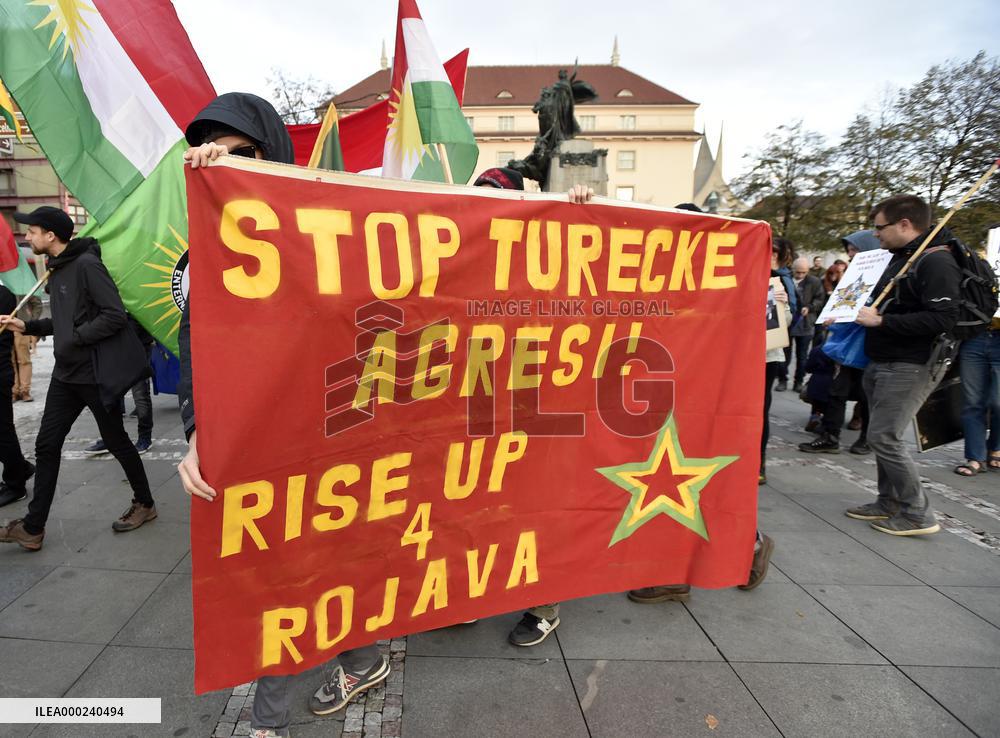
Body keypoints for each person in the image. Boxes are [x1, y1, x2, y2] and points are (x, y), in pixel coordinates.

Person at [177, 93, 388, 738]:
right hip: (259, 441)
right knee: (276, 570)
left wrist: (568, 209)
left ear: (273, 152)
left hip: (339, 433)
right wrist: (196, 431)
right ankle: (339, 675)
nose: (221, 160)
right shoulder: (211, 244)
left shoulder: (337, 225)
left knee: (318, 565)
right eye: (208, 149)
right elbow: (197, 341)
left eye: (240, 151)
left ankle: (293, 703)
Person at [0, 207, 155, 551]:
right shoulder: (57, 269)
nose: (28, 236)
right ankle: (33, 527)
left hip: (94, 375)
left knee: (116, 441)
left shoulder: (87, 265)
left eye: (33, 231)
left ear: (51, 235)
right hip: (66, 376)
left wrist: (77, 338)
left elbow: (114, 315)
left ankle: (145, 503)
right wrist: (27, 325)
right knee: (46, 445)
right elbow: (63, 321)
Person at [848, 195, 961, 536]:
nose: (875, 233)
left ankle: (918, 514)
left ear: (904, 224)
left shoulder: (936, 261)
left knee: (885, 436)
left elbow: (943, 319)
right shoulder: (904, 258)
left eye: (879, 227)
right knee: (881, 434)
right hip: (885, 359)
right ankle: (889, 501)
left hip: (911, 363)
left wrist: (882, 322)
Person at [800, 230, 880, 456]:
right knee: (836, 391)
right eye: (849, 250)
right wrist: (834, 318)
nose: (850, 254)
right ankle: (830, 436)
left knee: (866, 396)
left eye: (855, 249)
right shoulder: (854, 275)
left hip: (868, 346)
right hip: (845, 344)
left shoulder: (884, 276)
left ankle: (866, 439)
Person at [84, 313, 156, 455]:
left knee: (140, 393)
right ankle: (111, 438)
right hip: (112, 342)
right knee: (109, 392)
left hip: (137, 341)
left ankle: (145, 437)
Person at [954, 293, 999, 475]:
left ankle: (995, 447)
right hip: (975, 335)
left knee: (998, 402)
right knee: (973, 402)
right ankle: (975, 458)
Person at [0, 283, 35, 508]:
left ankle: (15, 485)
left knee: (3, 431)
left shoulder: (3, 294)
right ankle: (20, 467)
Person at [787, 257, 825, 392]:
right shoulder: (786, 279)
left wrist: (810, 307)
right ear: (793, 269)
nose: (800, 275)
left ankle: (798, 381)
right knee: (785, 354)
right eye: (798, 272)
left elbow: (820, 299)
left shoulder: (814, 282)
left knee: (802, 356)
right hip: (789, 322)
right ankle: (782, 379)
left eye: (803, 272)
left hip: (806, 322)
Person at [772, 238, 798, 392]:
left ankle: (783, 377)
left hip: (775, 333)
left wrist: (785, 304)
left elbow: (791, 310)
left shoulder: (782, 277)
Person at [11, 294, 41, 402]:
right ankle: (13, 391)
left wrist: (31, 322)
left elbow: (37, 304)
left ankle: (25, 391)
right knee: (8, 361)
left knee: (24, 360)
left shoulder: (22, 287)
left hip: (20, 326)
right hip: (3, 326)